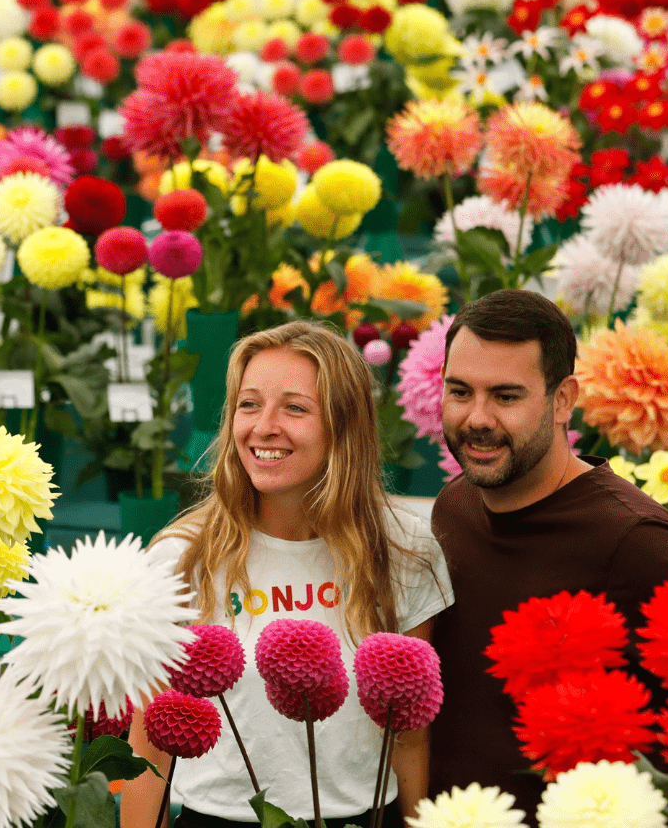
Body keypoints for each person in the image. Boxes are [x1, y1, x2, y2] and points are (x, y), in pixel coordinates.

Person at [122, 321, 453, 828]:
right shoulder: (182, 558)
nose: (263, 426)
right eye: (249, 404)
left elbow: (410, 732)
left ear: (343, 427)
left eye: (295, 408)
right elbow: (149, 742)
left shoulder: (405, 551)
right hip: (219, 819)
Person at [427, 289, 668, 818]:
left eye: (507, 396)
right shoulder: (454, 506)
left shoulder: (636, 541)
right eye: (460, 391)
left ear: (563, 399)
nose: (477, 418)